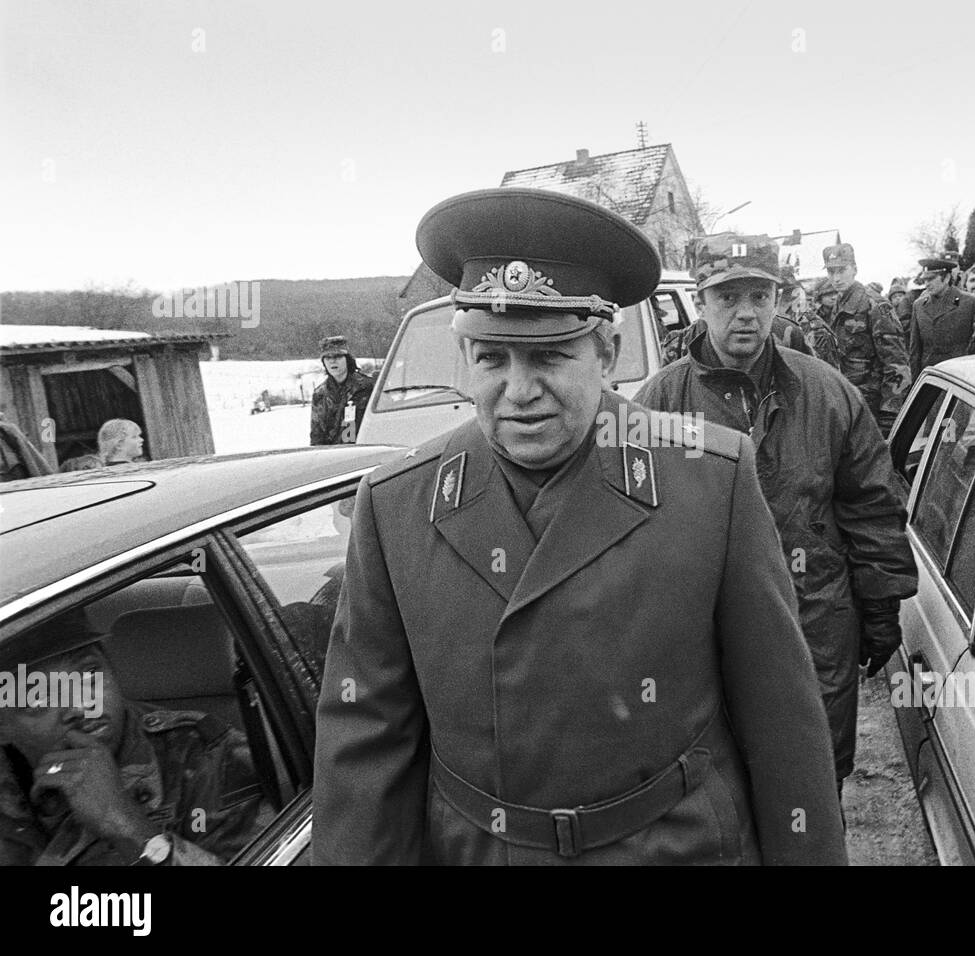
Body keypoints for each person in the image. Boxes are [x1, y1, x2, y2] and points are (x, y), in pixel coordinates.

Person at [313, 187, 847, 866]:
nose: (519, 389)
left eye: (550, 357)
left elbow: (782, 724)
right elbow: (365, 751)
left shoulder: (708, 477)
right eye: (490, 359)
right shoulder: (397, 507)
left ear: (607, 351)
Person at [635, 232, 917, 800]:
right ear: (701, 302)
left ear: (778, 301)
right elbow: (630, 527)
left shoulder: (828, 393)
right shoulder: (659, 403)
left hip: (814, 621)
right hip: (703, 633)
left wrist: (881, 603)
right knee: (718, 790)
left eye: (760, 298)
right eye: (727, 298)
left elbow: (871, 505)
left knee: (812, 781)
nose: (746, 315)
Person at [0, 617, 263, 866]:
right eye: (37, 697)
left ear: (112, 669)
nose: (81, 705)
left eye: (89, 673)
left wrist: (125, 825)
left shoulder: (207, 755)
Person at [821, 242, 911, 434]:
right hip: (849, 402)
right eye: (831, 272)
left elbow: (897, 363)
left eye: (841, 270)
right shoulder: (839, 304)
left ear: (854, 269)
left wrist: (890, 414)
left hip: (873, 407)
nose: (836, 278)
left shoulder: (875, 306)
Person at [909, 256, 975, 379]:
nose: (927, 284)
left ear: (947, 278)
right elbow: (915, 350)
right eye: (925, 280)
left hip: (960, 377)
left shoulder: (970, 302)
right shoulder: (919, 305)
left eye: (931, 279)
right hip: (931, 378)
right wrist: (915, 382)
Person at [309, 336, 375, 445]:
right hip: (337, 455)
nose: (332, 361)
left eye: (337, 356)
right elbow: (317, 436)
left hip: (366, 449)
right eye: (327, 358)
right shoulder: (320, 394)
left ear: (347, 359)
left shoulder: (367, 387)